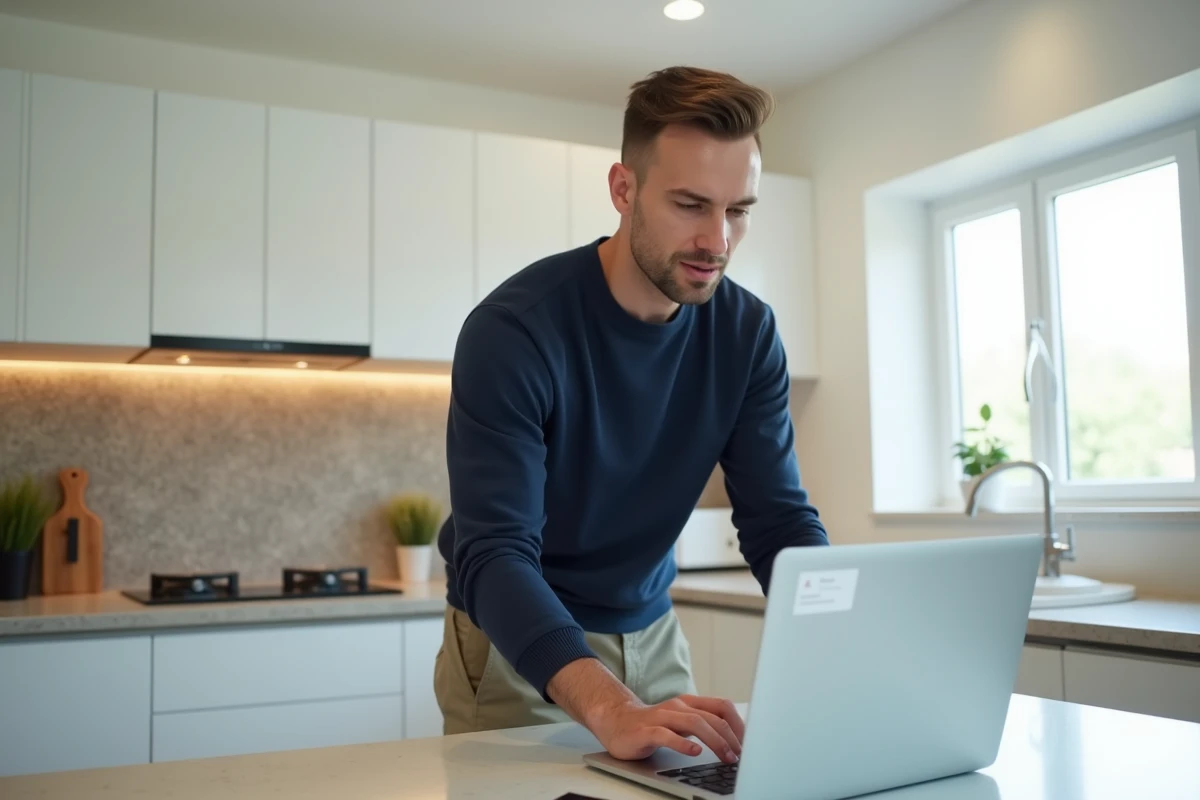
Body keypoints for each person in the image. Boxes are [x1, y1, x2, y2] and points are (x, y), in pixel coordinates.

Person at [432, 65, 828, 765]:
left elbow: (778, 520)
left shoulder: (747, 333)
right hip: (518, 643)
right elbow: (494, 555)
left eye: (738, 210)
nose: (719, 240)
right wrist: (609, 703)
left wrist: (845, 638)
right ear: (624, 189)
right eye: (690, 204)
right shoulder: (514, 331)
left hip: (653, 635)